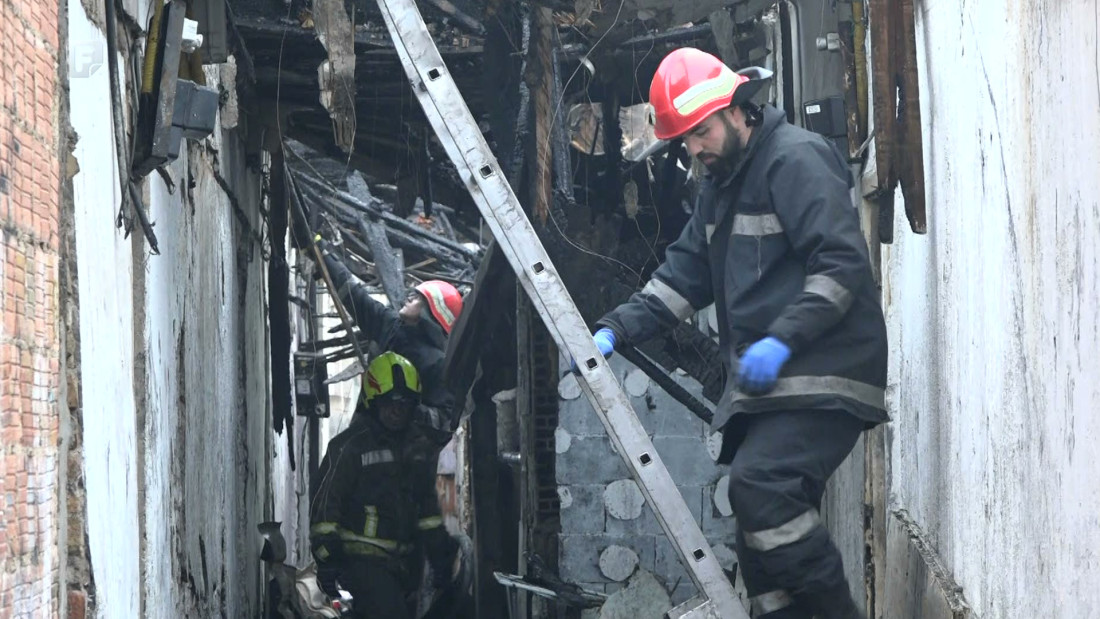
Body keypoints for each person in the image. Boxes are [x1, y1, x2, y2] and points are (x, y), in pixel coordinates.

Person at [590, 48, 888, 619]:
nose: (694, 150)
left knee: (761, 487)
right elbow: (684, 277)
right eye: (684, 141)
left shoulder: (796, 159)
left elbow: (842, 266)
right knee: (759, 546)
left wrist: (783, 339)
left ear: (735, 110)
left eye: (700, 132)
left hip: (824, 371)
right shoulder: (719, 187)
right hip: (774, 385)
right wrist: (613, 331)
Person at [310, 352, 458, 619]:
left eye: (404, 404)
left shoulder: (417, 449)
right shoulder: (349, 447)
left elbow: (427, 512)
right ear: (372, 402)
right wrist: (327, 560)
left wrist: (441, 556)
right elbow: (325, 508)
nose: (396, 411)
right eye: (389, 403)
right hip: (360, 565)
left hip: (405, 567)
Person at [313, 234, 464, 444]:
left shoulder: (437, 364)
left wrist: (407, 408)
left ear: (430, 315)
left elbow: (446, 422)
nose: (409, 298)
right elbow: (355, 297)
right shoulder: (392, 327)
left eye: (417, 299)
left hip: (407, 459)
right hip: (367, 438)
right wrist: (322, 253)